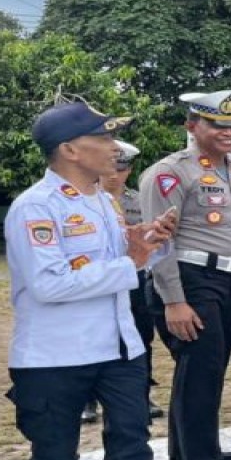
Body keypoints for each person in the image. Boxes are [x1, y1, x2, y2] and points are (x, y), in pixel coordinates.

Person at [4, 101, 192, 460]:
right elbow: (49, 285)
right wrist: (131, 262)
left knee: (131, 433)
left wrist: (149, 243)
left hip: (119, 343)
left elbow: (123, 262)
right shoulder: (35, 207)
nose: (114, 148)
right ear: (70, 150)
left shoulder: (103, 202)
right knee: (54, 439)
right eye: (103, 139)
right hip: (57, 350)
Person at [138, 90, 231, 460]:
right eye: (217, 125)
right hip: (189, 280)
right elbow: (157, 241)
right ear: (192, 126)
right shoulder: (170, 173)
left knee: (204, 371)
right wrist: (173, 300)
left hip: (227, 280)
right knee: (201, 372)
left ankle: (188, 453)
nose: (229, 133)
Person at [83, 140, 165, 424]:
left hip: (135, 277)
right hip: (99, 278)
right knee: (95, 337)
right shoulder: (84, 201)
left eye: (121, 169)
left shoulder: (141, 201)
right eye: (110, 168)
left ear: (129, 170)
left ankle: (142, 393)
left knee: (141, 336)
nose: (114, 174)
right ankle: (89, 399)